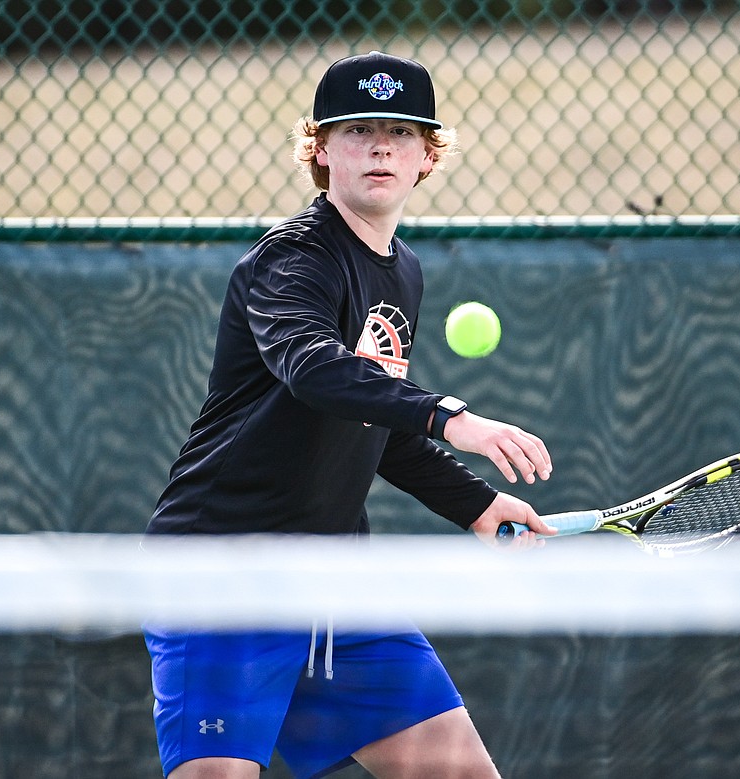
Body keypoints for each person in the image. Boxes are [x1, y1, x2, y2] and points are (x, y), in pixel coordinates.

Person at [143, 51, 555, 779]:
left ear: (427, 157)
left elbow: (375, 425)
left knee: (460, 772)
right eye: (359, 129)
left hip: (337, 588)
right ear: (321, 149)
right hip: (221, 577)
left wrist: (478, 502)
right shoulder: (291, 260)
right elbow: (316, 372)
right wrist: (453, 416)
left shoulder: (404, 269)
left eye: (401, 132)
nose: (380, 146)